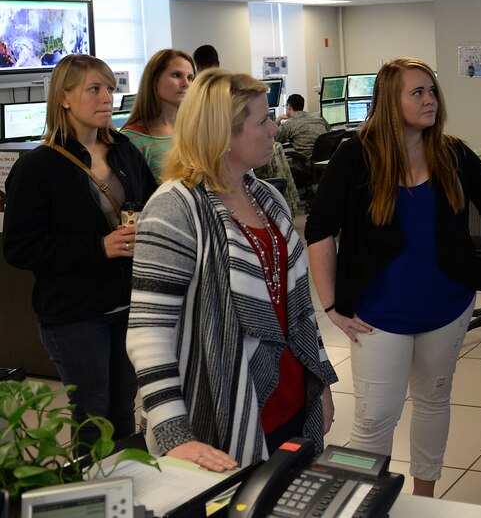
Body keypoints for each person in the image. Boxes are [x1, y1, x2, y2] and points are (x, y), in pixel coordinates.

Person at [305, 57, 481, 497]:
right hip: (378, 314)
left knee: (434, 402)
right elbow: (319, 228)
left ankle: (424, 499)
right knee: (376, 416)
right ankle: (361, 502)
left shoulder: (451, 152)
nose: (430, 100)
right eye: (417, 93)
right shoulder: (356, 155)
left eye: (432, 91)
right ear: (388, 101)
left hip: (446, 308)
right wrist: (331, 306)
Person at [126, 70, 337, 471]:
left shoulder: (266, 195)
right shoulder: (174, 208)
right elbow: (148, 333)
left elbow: (298, 308)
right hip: (220, 412)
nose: (274, 129)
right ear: (223, 134)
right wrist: (173, 434)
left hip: (289, 400)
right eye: (262, 121)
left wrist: (319, 379)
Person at [3, 54, 157, 447]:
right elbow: (21, 248)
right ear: (65, 98)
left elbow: (155, 203)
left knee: (124, 408)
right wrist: (98, 248)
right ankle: (95, 500)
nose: (107, 97)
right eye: (95, 89)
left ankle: (129, 493)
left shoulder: (123, 150)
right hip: (75, 314)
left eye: (109, 88)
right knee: (93, 414)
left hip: (128, 304)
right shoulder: (38, 167)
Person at [121, 49, 196, 182]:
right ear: (154, 80)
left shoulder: (195, 130)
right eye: (176, 75)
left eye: (190, 77)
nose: (186, 84)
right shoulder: (132, 139)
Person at [276, 93, 329, 160]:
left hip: (306, 162)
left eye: (285, 106)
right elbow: (329, 133)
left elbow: (275, 140)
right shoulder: (319, 119)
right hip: (323, 160)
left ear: (289, 106)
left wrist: (278, 119)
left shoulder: (289, 124)